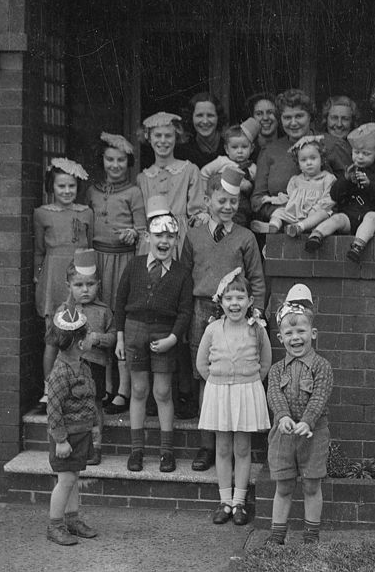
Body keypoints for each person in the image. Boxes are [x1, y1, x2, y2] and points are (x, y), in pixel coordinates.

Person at [180, 170, 266, 472]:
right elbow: (184, 277)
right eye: (221, 200)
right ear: (207, 201)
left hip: (238, 313)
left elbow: (256, 278)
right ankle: (208, 446)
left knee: (238, 376)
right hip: (202, 310)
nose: (228, 206)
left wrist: (256, 312)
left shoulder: (245, 237)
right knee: (207, 378)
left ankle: (235, 446)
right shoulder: (193, 236)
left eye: (233, 201)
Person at [114, 196, 193, 473]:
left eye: (171, 236)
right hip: (135, 330)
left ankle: (166, 452)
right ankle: (136, 450)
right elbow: (120, 302)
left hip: (164, 333)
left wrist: (173, 338)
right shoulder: (135, 265)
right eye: (159, 235)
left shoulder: (182, 273)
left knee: (161, 391)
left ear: (176, 240)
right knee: (138, 389)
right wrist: (121, 338)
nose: (165, 241)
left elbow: (185, 312)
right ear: (148, 237)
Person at [196, 269, 272, 526]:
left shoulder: (256, 329)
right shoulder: (213, 329)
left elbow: (265, 362)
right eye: (229, 298)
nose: (234, 303)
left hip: (245, 392)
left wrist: (246, 384)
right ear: (221, 301)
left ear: (250, 301)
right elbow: (202, 363)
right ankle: (225, 501)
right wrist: (219, 384)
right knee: (223, 447)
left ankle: (240, 501)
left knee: (242, 448)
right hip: (220, 393)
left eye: (240, 297)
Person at [265, 284, 333, 546]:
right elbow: (274, 395)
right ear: (280, 337)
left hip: (313, 435)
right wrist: (283, 416)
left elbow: (319, 396)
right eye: (289, 332)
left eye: (301, 331)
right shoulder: (276, 370)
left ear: (312, 333)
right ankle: (277, 536)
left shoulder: (322, 366)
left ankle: (311, 537)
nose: (296, 337)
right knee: (283, 487)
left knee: (311, 486)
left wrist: (307, 421)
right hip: (283, 436)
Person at [86, 132, 146, 415]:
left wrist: (134, 233)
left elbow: (144, 229)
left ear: (128, 162)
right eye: (110, 159)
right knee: (101, 320)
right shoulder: (93, 190)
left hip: (122, 261)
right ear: (103, 160)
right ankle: (106, 385)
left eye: (121, 160)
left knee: (119, 320)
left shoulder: (133, 192)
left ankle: (124, 389)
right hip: (98, 260)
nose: (115, 165)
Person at [34, 158, 93, 409]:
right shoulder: (42, 213)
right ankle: (49, 386)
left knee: (80, 331)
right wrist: (39, 276)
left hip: (79, 277)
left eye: (71, 186)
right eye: (61, 187)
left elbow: (89, 246)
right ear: (52, 187)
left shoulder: (86, 212)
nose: (67, 191)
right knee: (53, 336)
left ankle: (77, 385)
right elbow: (38, 250)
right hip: (53, 278)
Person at [50, 249, 115, 466]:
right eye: (78, 285)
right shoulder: (63, 311)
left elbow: (114, 337)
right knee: (70, 404)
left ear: (98, 284)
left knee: (94, 405)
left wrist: (98, 339)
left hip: (94, 364)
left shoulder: (103, 311)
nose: (85, 290)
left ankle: (94, 446)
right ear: (69, 287)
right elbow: (53, 338)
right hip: (69, 366)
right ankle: (70, 442)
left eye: (90, 284)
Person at [251, 89, 351, 225]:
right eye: (287, 117)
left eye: (299, 116)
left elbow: (348, 189)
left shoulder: (332, 145)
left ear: (310, 116)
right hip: (282, 227)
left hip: (324, 227)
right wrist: (284, 213)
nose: (293, 123)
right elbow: (257, 199)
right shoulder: (269, 151)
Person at [45, 306, 98, 546]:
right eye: (88, 335)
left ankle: (72, 520)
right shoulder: (60, 373)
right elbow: (53, 410)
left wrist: (94, 425)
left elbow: (89, 399)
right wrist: (60, 441)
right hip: (66, 438)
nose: (92, 338)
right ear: (78, 343)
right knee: (65, 480)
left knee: (73, 478)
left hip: (80, 434)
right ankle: (55, 525)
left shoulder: (83, 366)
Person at [304, 123, 375, 262]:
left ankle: (358, 246)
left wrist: (370, 185)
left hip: (374, 221)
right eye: (356, 152)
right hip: (351, 218)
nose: (360, 157)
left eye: (366, 154)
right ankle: (317, 235)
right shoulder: (349, 171)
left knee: (371, 217)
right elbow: (334, 195)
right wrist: (345, 180)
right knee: (337, 218)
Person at [137, 112, 208, 257]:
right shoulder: (143, 178)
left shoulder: (189, 170)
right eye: (157, 135)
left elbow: (197, 213)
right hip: (152, 240)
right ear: (149, 138)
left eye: (168, 136)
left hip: (180, 239)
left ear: (176, 137)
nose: (163, 141)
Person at [254, 135, 336, 237]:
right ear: (299, 164)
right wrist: (272, 199)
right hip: (295, 215)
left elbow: (330, 198)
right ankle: (273, 226)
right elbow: (289, 198)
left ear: (322, 159)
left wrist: (315, 209)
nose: (309, 163)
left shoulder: (328, 178)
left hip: (314, 215)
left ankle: (299, 227)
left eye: (313, 158)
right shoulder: (296, 180)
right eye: (304, 160)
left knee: (323, 213)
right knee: (279, 212)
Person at [200, 118, 262, 228]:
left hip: (241, 207)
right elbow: (204, 173)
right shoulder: (222, 162)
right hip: (220, 203)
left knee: (240, 223)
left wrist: (249, 187)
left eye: (244, 147)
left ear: (252, 148)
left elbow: (258, 188)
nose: (239, 151)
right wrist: (208, 192)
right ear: (227, 149)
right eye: (234, 147)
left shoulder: (253, 168)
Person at [176, 92, 226, 168]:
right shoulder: (182, 152)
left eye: (210, 115)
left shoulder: (231, 148)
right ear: (191, 117)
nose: (205, 121)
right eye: (199, 115)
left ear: (218, 117)